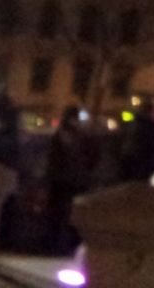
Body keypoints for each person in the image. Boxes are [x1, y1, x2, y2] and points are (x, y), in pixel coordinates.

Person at [45, 106, 92, 255]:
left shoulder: (65, 136)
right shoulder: (79, 137)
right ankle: (64, 245)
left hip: (65, 180)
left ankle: (58, 244)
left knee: (61, 215)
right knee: (65, 215)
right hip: (70, 181)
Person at [117, 98, 154, 182]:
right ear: (151, 112)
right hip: (143, 161)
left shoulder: (132, 122)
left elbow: (122, 136)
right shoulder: (152, 126)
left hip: (128, 156)